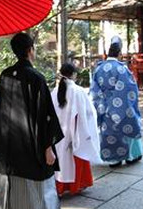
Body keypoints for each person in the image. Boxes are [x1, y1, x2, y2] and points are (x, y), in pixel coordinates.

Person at [0, 32, 64, 209]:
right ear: (30, 50)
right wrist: (48, 148)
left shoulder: (5, 75)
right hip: (31, 149)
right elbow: (45, 116)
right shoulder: (36, 78)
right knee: (37, 196)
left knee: (12, 197)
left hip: (9, 148)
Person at [90, 35, 143, 168]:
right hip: (121, 106)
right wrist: (120, 105)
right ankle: (131, 156)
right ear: (119, 54)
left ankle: (113, 160)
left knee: (108, 133)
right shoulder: (121, 68)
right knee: (127, 128)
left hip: (104, 106)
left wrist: (101, 105)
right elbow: (130, 89)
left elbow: (94, 90)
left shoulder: (99, 68)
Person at [51, 63, 101, 196]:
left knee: (61, 160)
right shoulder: (78, 91)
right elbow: (88, 113)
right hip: (75, 131)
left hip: (59, 133)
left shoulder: (55, 91)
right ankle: (76, 185)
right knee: (77, 158)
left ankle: (59, 188)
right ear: (73, 74)